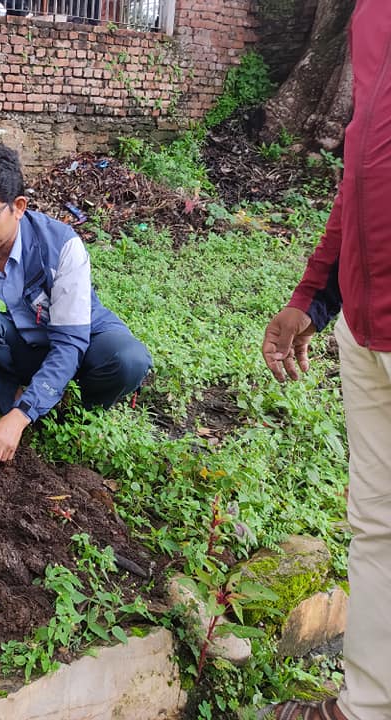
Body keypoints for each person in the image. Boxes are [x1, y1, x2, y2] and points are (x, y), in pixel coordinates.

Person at [260, 2, 390, 718]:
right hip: (369, 331)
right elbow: (363, 174)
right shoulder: (370, 16)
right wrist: (314, 296)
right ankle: (366, 704)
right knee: (376, 524)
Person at [0, 143, 151, 473]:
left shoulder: (61, 246)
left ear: (18, 207)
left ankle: (65, 411)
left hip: (76, 344)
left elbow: (70, 344)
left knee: (128, 359)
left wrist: (21, 416)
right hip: (15, 351)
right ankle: (19, 398)